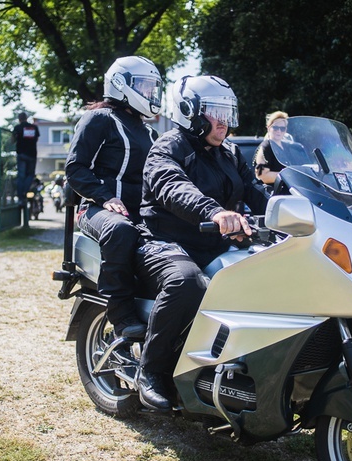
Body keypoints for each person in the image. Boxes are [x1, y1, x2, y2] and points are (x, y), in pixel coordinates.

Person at [133, 75, 271, 411]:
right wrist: (216, 212)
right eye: (214, 111)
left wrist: (294, 213)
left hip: (216, 247)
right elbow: (174, 187)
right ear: (189, 111)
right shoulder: (167, 148)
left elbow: (257, 193)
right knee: (187, 282)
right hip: (166, 244)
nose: (223, 121)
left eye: (227, 111)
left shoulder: (230, 154)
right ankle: (150, 371)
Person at [65, 55, 163, 337]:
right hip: (96, 210)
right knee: (120, 230)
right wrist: (104, 196)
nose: (149, 93)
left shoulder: (149, 131)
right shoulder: (99, 119)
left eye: (152, 87)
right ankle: (120, 313)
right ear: (121, 85)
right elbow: (75, 167)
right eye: (144, 86)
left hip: (137, 213)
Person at [254, 111, 311, 186]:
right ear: (268, 128)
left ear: (286, 130)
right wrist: (289, 176)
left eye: (282, 128)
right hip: (274, 193)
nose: (279, 131)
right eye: (275, 127)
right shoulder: (266, 146)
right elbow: (262, 176)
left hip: (291, 191)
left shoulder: (287, 146)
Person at [12, 111, 39, 206]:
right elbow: (36, 139)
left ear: (19, 119)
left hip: (21, 154)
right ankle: (25, 192)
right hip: (32, 155)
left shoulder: (17, 128)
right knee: (30, 175)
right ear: (27, 118)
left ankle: (20, 197)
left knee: (21, 176)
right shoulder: (34, 128)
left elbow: (12, 140)